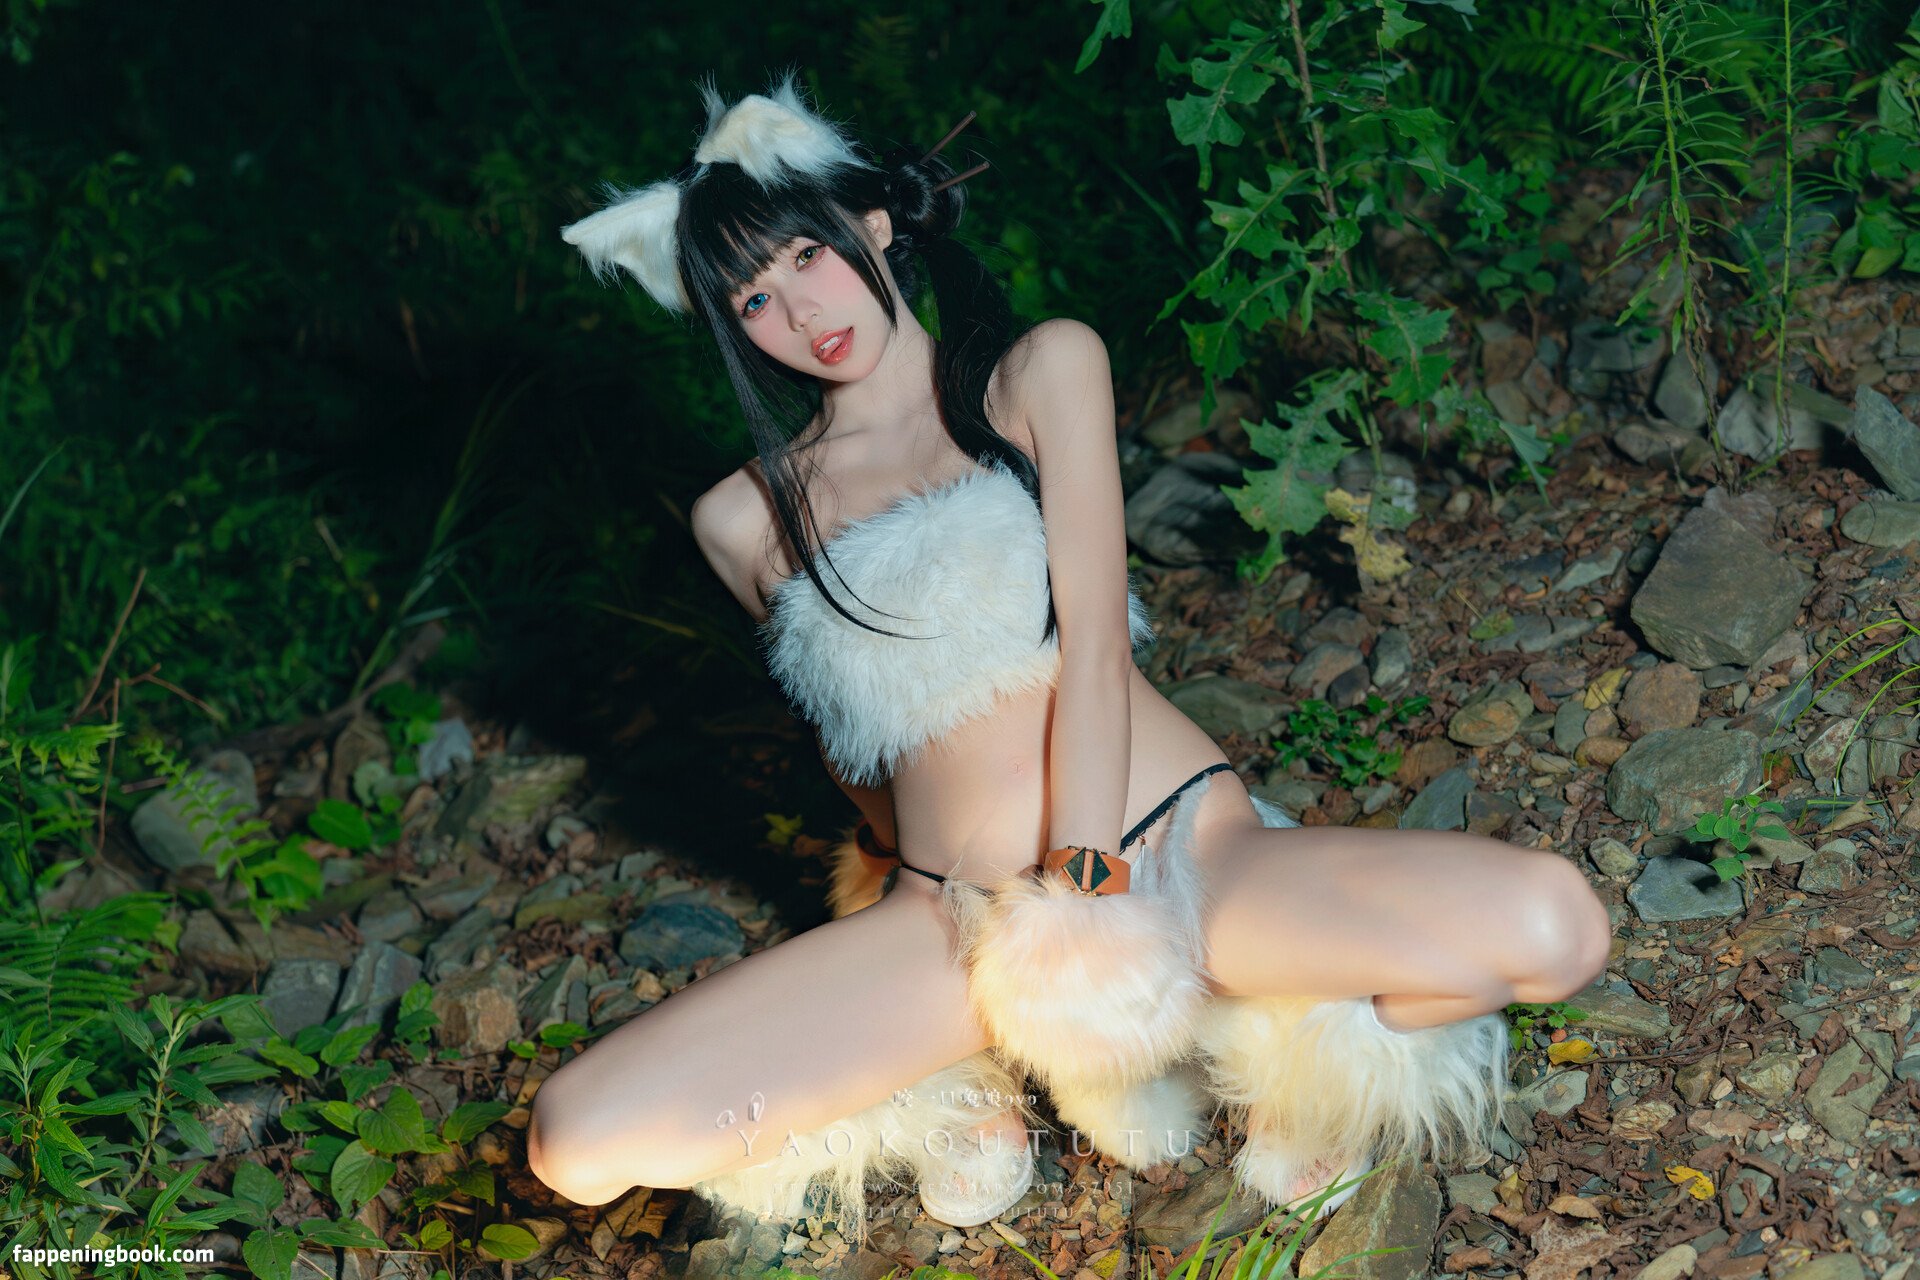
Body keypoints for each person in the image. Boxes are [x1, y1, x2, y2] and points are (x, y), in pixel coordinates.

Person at [527, 74, 1611, 1239]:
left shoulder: (1034, 373)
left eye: (807, 253)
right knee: (577, 1137)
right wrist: (895, 907)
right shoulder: (743, 517)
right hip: (952, 918)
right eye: (753, 295)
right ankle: (980, 1075)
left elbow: (1094, 644)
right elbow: (850, 739)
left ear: (873, 224)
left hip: (1178, 851)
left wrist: (1088, 897)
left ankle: (1271, 1025)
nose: (799, 307)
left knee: (1558, 927)